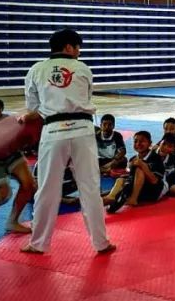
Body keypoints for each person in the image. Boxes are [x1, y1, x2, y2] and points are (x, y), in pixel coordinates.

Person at [20, 28, 113, 255]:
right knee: (90, 187)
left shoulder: (36, 70)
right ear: (69, 47)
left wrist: (28, 116)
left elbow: (33, 109)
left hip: (53, 131)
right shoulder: (83, 69)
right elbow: (85, 98)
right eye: (77, 47)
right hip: (82, 129)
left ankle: (38, 243)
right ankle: (101, 243)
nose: (79, 52)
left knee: (47, 189)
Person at [103, 130, 165, 213]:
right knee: (120, 180)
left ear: (150, 143)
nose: (138, 144)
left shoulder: (156, 158)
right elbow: (131, 178)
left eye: (142, 141)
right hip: (140, 189)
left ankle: (133, 198)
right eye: (135, 141)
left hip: (153, 191)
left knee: (139, 169)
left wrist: (142, 165)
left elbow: (154, 181)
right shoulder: (132, 159)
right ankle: (110, 197)